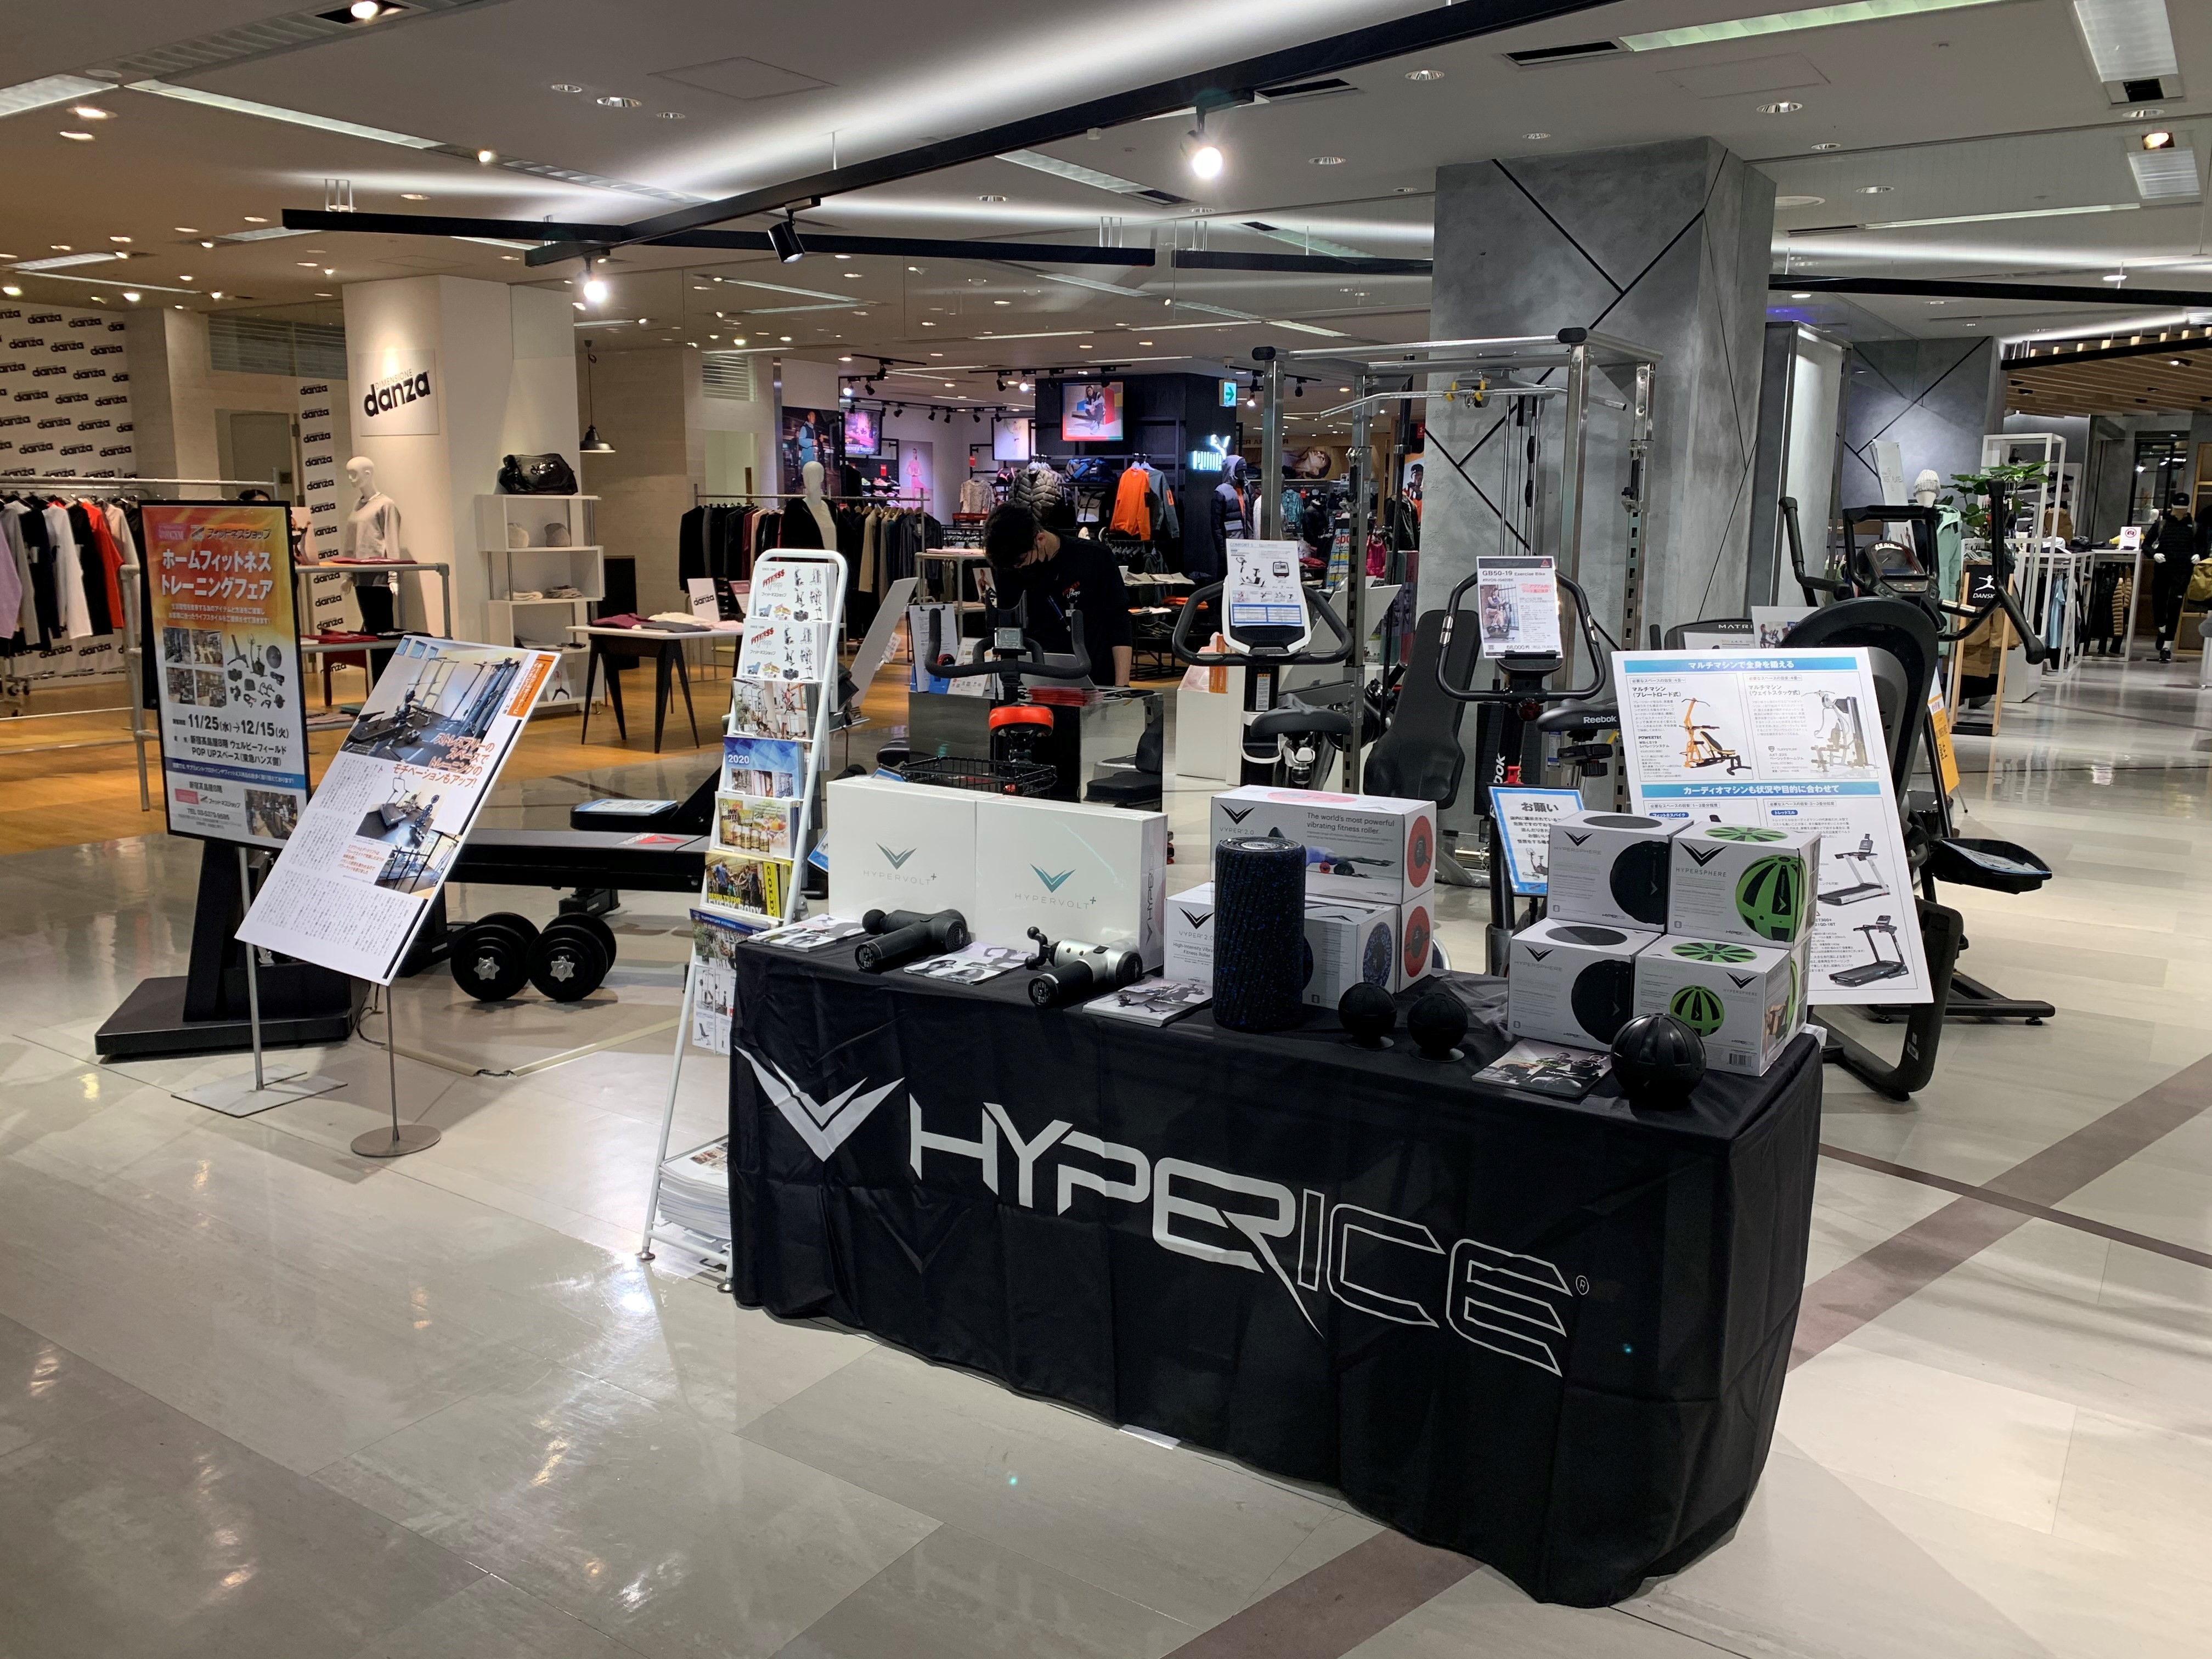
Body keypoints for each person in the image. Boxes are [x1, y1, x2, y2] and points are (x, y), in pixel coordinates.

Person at [982, 501, 1133, 686]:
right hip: (1035, 680)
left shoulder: (1094, 557)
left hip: (1096, 678)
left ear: (1040, 539)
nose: (1019, 567)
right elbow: (1009, 625)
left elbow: (1119, 621)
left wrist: (1122, 686)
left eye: (1021, 561)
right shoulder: (1010, 569)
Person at [2146, 492, 2196, 663]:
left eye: (2183, 509)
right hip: (2162, 570)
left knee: (2175, 606)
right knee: (2158, 602)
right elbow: (2146, 544)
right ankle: (2162, 628)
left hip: (2183, 571)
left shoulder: (2194, 526)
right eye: (2178, 509)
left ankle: (2167, 647)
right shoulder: (2162, 524)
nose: (2180, 512)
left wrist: (2198, 555)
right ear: (2173, 508)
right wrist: (2154, 554)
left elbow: (2203, 546)